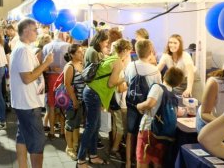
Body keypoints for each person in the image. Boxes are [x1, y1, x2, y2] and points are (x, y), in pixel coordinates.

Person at [77, 39, 129, 168]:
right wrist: (124, 78)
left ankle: (93, 155)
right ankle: (81, 160)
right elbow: (111, 83)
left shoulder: (110, 58)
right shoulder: (117, 62)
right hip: (94, 94)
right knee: (90, 128)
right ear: (126, 51)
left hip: (92, 92)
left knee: (95, 126)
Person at [9, 18, 53, 168]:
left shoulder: (22, 48)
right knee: (37, 144)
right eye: (35, 30)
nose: (37, 32)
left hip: (25, 102)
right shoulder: (23, 50)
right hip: (28, 104)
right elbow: (27, 78)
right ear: (26, 31)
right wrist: (45, 64)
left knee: (23, 137)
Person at [135, 67, 184, 168]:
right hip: (163, 135)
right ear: (178, 84)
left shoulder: (158, 87)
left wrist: (138, 106)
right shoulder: (173, 96)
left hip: (148, 130)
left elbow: (149, 103)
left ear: (164, 75)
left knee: (143, 161)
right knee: (158, 162)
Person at [124, 39, 162, 168]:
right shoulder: (155, 70)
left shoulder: (130, 65)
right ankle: (142, 161)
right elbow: (158, 90)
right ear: (150, 52)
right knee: (144, 136)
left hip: (132, 105)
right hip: (146, 107)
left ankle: (128, 162)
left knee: (130, 134)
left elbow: (127, 82)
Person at [42, 30, 70, 139]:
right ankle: (62, 130)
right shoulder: (68, 46)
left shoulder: (46, 47)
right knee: (63, 104)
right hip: (63, 77)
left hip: (51, 78)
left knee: (51, 106)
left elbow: (44, 64)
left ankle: (52, 131)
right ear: (63, 34)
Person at [63, 44, 85, 160]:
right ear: (72, 54)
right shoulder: (69, 66)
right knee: (70, 123)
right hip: (73, 100)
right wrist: (74, 100)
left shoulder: (81, 64)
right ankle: (69, 148)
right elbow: (67, 85)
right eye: (79, 52)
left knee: (77, 123)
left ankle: (76, 144)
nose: (82, 54)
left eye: (82, 51)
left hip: (81, 100)